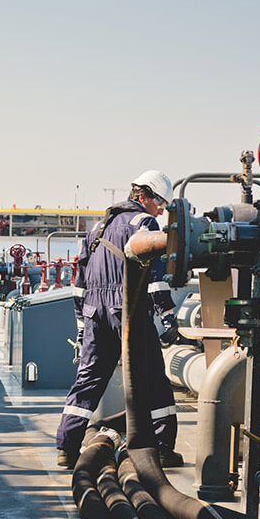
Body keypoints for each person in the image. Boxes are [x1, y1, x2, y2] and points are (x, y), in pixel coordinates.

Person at [56, 170, 185, 469]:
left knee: (88, 379)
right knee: (153, 378)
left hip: (94, 313)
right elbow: (155, 278)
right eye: (160, 202)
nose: (162, 209)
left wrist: (81, 326)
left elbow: (80, 284)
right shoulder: (143, 223)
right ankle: (163, 447)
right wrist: (168, 318)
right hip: (128, 310)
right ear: (143, 197)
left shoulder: (97, 229)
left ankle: (66, 447)